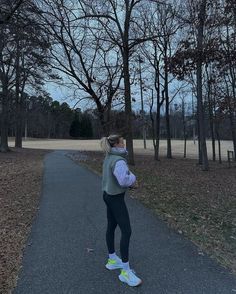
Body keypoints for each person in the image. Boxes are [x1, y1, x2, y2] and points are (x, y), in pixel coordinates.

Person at [100, 134, 142, 287]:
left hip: (107, 195)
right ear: (117, 145)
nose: (124, 146)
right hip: (115, 199)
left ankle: (112, 260)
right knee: (127, 231)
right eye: (122, 143)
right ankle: (125, 272)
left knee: (111, 226)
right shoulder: (118, 161)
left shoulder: (109, 156)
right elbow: (124, 180)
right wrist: (134, 180)